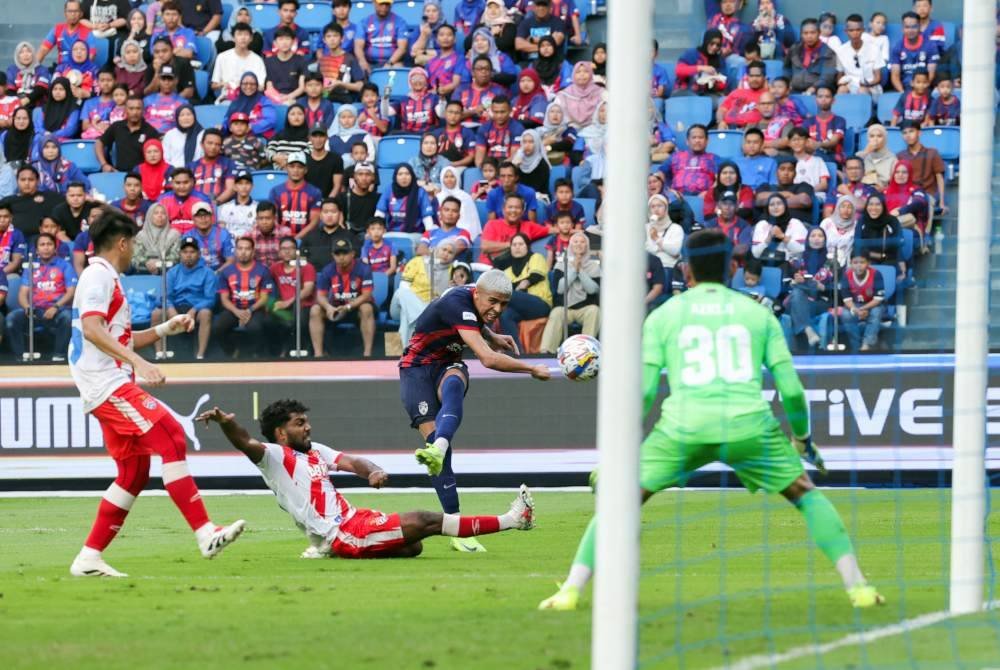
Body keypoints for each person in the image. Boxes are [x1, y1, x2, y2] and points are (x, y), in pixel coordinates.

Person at [539, 227, 885, 611]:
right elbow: (790, 390)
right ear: (732, 267)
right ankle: (859, 588)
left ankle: (570, 590)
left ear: (685, 270)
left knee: (621, 502)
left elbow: (645, 392)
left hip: (682, 427)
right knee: (805, 495)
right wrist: (802, 438)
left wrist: (617, 455)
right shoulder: (758, 315)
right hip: (749, 425)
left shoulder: (664, 316)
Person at [67, 207, 245, 577]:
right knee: (171, 435)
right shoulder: (98, 276)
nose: (135, 250)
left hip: (108, 380)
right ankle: (204, 532)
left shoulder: (103, 277)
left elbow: (119, 337)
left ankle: (89, 558)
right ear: (122, 243)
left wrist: (167, 329)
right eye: (132, 243)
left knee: (134, 470)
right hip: (107, 383)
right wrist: (141, 364)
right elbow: (92, 330)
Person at [199, 398, 535, 558]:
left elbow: (352, 462)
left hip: (355, 518)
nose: (308, 426)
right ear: (280, 433)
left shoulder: (314, 451)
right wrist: (224, 421)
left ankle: (324, 549)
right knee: (425, 519)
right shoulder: (273, 457)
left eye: (306, 421)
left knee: (414, 546)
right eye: (299, 423)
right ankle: (512, 520)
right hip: (344, 531)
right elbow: (245, 442)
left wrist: (372, 470)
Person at [400, 268, 549, 551]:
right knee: (435, 446)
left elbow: (472, 320)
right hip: (416, 370)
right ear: (477, 294)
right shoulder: (457, 301)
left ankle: (439, 447)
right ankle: (457, 527)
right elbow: (489, 360)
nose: (498, 309)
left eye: (504, 304)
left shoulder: (474, 295)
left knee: (455, 383)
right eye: (493, 302)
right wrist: (531, 367)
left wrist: (490, 334)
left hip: (447, 363)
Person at [5, 233, 76, 361]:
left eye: (49, 244)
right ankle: (20, 357)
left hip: (58, 310)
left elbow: (71, 291)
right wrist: (27, 307)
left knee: (67, 317)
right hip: (35, 311)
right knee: (12, 318)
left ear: (55, 248)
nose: (46, 247)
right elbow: (22, 293)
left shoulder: (65, 265)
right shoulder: (31, 267)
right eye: (42, 245)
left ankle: (59, 356)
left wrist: (56, 307)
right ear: (37, 249)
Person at [152, 234, 215, 358]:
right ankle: (158, 354)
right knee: (156, 314)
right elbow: (164, 296)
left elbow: (210, 298)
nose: (189, 255)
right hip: (176, 306)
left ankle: (200, 355)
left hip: (196, 308)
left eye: (192, 251)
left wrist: (194, 310)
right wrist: (171, 310)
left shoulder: (207, 273)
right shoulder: (173, 272)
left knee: (206, 313)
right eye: (185, 252)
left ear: (199, 254)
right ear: (180, 254)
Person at [310, 238, 375, 357]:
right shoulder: (328, 270)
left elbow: (366, 295)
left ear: (352, 254)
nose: (341, 257)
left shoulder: (364, 268)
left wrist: (348, 306)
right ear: (332, 255)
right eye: (337, 254)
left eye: (345, 253)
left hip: (356, 308)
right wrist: (328, 307)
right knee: (315, 310)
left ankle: (367, 354)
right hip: (336, 309)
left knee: (367, 308)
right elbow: (320, 296)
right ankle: (318, 355)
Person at [213, 235, 273, 358]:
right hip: (234, 309)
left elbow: (264, 298)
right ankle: (232, 353)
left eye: (247, 249)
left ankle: (254, 355)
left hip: (255, 309)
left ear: (252, 252)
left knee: (255, 328)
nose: (243, 252)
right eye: (240, 249)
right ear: (235, 251)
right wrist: (237, 312)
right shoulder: (227, 271)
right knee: (218, 327)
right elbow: (224, 298)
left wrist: (249, 311)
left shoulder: (263, 270)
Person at [539, 231, 600, 353]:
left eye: (582, 242)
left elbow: (593, 290)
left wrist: (580, 270)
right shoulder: (561, 264)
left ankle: (587, 351)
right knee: (556, 313)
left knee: (595, 310)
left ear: (587, 245)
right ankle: (546, 351)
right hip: (565, 308)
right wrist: (573, 270)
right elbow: (561, 288)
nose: (579, 244)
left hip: (585, 308)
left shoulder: (594, 266)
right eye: (575, 242)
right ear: (570, 245)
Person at [392, 239, 457, 343]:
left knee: (406, 314)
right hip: (402, 304)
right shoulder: (418, 261)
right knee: (400, 293)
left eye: (450, 252)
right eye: (444, 249)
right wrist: (420, 308)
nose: (446, 254)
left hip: (428, 307)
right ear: (436, 249)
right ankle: (423, 317)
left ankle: (406, 352)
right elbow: (404, 286)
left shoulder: (453, 270)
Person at [497, 232, 551, 352]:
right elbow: (510, 287)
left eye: (521, 244)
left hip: (540, 304)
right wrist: (518, 286)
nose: (517, 247)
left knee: (504, 295)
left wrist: (517, 286)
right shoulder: (507, 270)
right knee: (505, 315)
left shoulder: (536, 257)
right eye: (514, 244)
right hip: (521, 309)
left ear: (527, 246)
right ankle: (516, 352)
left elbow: (535, 277)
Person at [785, 227, 834, 349]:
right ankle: (808, 330)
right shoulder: (796, 260)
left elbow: (839, 290)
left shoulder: (833, 262)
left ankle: (805, 332)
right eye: (813, 236)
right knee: (796, 292)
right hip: (798, 299)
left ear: (825, 239)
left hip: (819, 301)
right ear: (807, 239)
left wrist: (822, 287)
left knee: (796, 296)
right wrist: (794, 281)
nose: (816, 239)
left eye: (820, 236)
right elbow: (785, 283)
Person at [268, 235, 315, 354]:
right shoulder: (275, 268)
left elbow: (308, 290)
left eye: (291, 248)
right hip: (284, 305)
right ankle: (275, 352)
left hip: (303, 305)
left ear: (296, 250)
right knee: (267, 320)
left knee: (297, 318)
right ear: (279, 252)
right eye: (284, 248)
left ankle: (301, 349)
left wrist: (287, 302)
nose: (287, 251)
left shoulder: (306, 267)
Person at [96, 94, 161, 173]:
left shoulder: (151, 131)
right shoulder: (117, 126)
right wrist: (104, 164)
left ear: (143, 110)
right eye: (131, 108)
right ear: (125, 110)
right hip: (119, 174)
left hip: (141, 176)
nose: (135, 112)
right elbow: (99, 143)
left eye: (138, 108)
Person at [0, 165, 66, 238]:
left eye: (31, 180)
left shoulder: (51, 197)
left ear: (37, 181)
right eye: (23, 180)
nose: (26, 183)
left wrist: (62, 231)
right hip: (14, 242)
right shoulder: (8, 201)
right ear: (17, 181)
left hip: (44, 242)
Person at [269, 151, 323, 238]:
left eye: (300, 167)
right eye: (292, 166)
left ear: (305, 170)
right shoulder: (275, 191)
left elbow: (314, 222)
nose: (296, 170)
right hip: (281, 239)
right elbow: (272, 218)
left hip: (306, 240)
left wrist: (295, 239)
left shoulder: (315, 192)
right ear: (286, 168)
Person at [839, 252, 886, 352]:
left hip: (872, 304)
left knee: (876, 312)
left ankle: (866, 344)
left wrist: (863, 309)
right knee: (846, 315)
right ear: (850, 264)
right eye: (855, 263)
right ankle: (856, 345)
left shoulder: (876, 274)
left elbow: (878, 299)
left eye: (862, 262)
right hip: (854, 305)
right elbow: (847, 299)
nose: (858, 265)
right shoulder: (846, 275)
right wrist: (856, 310)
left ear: (868, 263)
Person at [897, 120, 946, 214]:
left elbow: (939, 178)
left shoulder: (932, 153)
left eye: (911, 131)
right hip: (907, 196)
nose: (908, 135)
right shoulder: (900, 156)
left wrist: (942, 202)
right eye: (904, 133)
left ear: (919, 133)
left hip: (927, 195)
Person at [853, 193, 904, 282]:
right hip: (867, 261)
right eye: (871, 204)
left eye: (878, 204)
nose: (874, 208)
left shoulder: (892, 221)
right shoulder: (862, 221)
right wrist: (877, 256)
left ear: (883, 206)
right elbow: (857, 245)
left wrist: (902, 264)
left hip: (889, 260)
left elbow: (898, 244)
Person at [657, 125, 718, 197]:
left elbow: (720, 179)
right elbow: (660, 173)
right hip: (677, 198)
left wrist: (709, 193)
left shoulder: (714, 158)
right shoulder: (675, 156)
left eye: (701, 137)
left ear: (707, 141)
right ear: (687, 141)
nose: (697, 140)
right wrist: (668, 191)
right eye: (694, 137)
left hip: (704, 199)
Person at [884, 159, 930, 252]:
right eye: (897, 172)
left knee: (904, 234)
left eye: (904, 172)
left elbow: (919, 203)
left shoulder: (916, 190)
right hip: (886, 223)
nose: (900, 175)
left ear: (910, 174)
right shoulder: (885, 191)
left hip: (910, 226)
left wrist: (900, 211)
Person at [211, 22, 266, 100]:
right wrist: (223, 84)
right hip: (228, 98)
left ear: (251, 39)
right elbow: (214, 85)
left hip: (251, 99)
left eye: (246, 34)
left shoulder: (257, 60)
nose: (243, 38)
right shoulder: (222, 57)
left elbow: (262, 86)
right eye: (239, 34)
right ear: (233, 38)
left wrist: (249, 87)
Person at [375, 164, 435, 233]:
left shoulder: (420, 192)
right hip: (391, 233)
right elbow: (380, 213)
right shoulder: (389, 190)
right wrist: (377, 232)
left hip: (414, 234)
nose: (404, 177)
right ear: (395, 177)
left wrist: (429, 237)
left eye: (407, 174)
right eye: (400, 174)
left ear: (412, 176)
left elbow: (427, 217)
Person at [783, 18, 838, 94]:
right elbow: (786, 67)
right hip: (794, 90)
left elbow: (827, 77)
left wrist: (814, 88)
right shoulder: (794, 49)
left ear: (819, 33)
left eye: (812, 33)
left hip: (817, 93)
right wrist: (787, 83)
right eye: (805, 33)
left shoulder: (828, 53)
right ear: (801, 34)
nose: (809, 36)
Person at [312, 24, 363, 104]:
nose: (332, 39)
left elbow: (360, 86)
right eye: (328, 36)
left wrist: (341, 84)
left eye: (335, 36)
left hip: (345, 100)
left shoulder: (350, 59)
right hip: (325, 99)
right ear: (324, 40)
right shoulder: (322, 60)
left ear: (342, 39)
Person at [754, 157, 815, 225]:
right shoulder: (766, 187)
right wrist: (786, 194)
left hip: (796, 226)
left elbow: (803, 201)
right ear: (776, 172)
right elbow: (759, 200)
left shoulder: (803, 186)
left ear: (795, 173)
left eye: (790, 170)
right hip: (769, 226)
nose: (786, 173)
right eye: (782, 169)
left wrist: (771, 203)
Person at [835, 13, 885, 96]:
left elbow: (878, 77)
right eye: (851, 30)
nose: (855, 33)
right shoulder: (841, 50)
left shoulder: (874, 49)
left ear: (863, 30)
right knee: (841, 90)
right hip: (850, 85)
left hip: (871, 86)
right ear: (846, 31)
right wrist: (842, 83)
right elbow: (839, 77)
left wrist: (867, 84)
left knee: (862, 91)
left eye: (858, 30)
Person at [889, 11, 939, 92]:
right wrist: (903, 94)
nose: (910, 30)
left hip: (924, 88)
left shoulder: (931, 46)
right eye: (907, 27)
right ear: (902, 29)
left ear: (919, 27)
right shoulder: (897, 47)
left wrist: (921, 90)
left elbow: (931, 74)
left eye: (914, 27)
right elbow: (895, 76)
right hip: (905, 89)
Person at [752, 193, 808, 263]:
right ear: (767, 208)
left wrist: (783, 237)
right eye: (772, 204)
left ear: (785, 206)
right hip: (765, 263)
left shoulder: (795, 223)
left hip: (789, 265)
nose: (775, 207)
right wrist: (768, 239)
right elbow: (755, 254)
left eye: (779, 204)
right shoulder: (762, 224)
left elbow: (802, 250)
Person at [356, 0, 409, 73]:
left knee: (398, 67)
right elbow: (358, 46)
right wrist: (363, 62)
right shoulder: (364, 22)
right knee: (359, 69)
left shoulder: (400, 22)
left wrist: (389, 63)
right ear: (374, 3)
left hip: (392, 62)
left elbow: (402, 48)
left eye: (387, 4)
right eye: (381, 4)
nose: (384, 7)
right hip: (369, 62)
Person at [39, 0, 97, 67]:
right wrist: (33, 68)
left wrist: (80, 70)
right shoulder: (57, 29)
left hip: (80, 69)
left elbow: (91, 55)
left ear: (81, 14)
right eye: (70, 11)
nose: (73, 14)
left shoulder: (87, 32)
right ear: (65, 13)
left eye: (76, 11)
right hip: (61, 70)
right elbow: (43, 50)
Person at [301, 198, 356, 264]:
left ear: (340, 214)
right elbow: (302, 258)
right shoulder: (310, 236)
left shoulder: (349, 237)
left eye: (333, 212)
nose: (329, 215)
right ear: (320, 215)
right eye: (325, 212)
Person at [674, 29, 726, 98]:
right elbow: (679, 70)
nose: (714, 47)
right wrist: (701, 68)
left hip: (706, 94)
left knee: (722, 100)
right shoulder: (692, 53)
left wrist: (715, 80)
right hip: (684, 91)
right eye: (712, 43)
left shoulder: (719, 60)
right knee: (697, 100)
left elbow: (722, 85)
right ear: (706, 41)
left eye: (718, 45)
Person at [157, 167, 211, 234]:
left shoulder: (202, 199)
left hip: (196, 239)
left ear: (192, 182)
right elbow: (157, 226)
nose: (182, 187)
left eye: (185, 182)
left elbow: (210, 226)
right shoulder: (163, 200)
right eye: (178, 183)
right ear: (172, 183)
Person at [224, 72, 277, 140]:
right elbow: (227, 120)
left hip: (259, 137)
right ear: (240, 85)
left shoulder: (264, 101)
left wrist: (251, 127)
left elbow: (271, 120)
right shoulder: (236, 101)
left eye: (252, 84)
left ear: (257, 85)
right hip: (237, 138)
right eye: (245, 84)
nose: (248, 86)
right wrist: (223, 127)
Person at [334, 160, 380, 238]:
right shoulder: (342, 198)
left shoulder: (378, 199)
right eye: (360, 174)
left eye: (368, 174)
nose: (364, 178)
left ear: (373, 177)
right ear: (354, 176)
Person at [132, 201, 180, 274]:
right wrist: (147, 263)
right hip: (143, 274)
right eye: (156, 213)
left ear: (167, 216)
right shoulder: (141, 236)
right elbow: (136, 257)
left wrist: (159, 263)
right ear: (149, 216)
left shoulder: (174, 235)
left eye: (163, 213)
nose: (160, 215)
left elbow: (176, 258)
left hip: (168, 274)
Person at [717, 62, 768, 129]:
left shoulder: (767, 96)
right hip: (729, 128)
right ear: (747, 77)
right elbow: (722, 109)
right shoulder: (736, 92)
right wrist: (721, 122)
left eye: (758, 76)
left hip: (753, 131)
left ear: (764, 77)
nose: (754, 79)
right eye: (751, 76)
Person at [555, 62, 607, 129]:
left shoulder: (601, 93)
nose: (582, 74)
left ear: (591, 74)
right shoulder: (563, 95)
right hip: (569, 132)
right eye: (578, 72)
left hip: (596, 132)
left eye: (586, 71)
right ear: (573, 74)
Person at [264, 26, 308, 104]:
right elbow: (269, 86)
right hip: (274, 99)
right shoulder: (268, 62)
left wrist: (288, 97)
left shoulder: (301, 60)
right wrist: (278, 98)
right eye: (281, 39)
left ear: (294, 42)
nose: (284, 42)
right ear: (275, 43)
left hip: (295, 99)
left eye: (287, 39)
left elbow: (302, 87)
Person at [144, 36, 196, 100]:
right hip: (159, 103)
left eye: (164, 51)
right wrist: (157, 73)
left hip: (183, 101)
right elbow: (148, 94)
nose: (161, 55)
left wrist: (172, 103)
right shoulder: (151, 66)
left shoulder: (183, 63)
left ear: (172, 51)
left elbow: (189, 91)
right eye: (157, 52)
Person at [188, 201, 234, 272]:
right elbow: (186, 262)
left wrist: (216, 273)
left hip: (219, 273)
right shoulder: (188, 236)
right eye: (199, 215)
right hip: (196, 274)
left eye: (206, 214)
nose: (203, 218)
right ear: (193, 219)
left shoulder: (223, 234)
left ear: (212, 217)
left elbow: (231, 261)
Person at [646, 193, 685, 274]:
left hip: (668, 267)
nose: (656, 209)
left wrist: (656, 238)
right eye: (653, 207)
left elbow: (675, 251)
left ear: (666, 208)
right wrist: (661, 248)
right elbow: (643, 249)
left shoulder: (676, 228)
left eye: (659, 206)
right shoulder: (645, 228)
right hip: (649, 268)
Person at [423, 23, 465, 99]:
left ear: (454, 39)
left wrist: (440, 90)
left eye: (449, 35)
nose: (445, 38)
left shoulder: (459, 58)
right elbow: (426, 84)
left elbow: (456, 83)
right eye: (442, 35)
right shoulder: (431, 62)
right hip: (431, 98)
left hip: (450, 97)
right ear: (437, 40)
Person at [34, 77, 80, 145]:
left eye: (61, 89)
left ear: (67, 91)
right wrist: (45, 133)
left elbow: (70, 130)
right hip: (44, 137)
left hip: (64, 140)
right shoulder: (43, 109)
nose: (57, 92)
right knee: (38, 137)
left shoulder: (74, 109)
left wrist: (52, 135)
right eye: (55, 89)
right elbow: (38, 128)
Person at [7, 42, 52, 110]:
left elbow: (40, 89)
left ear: (33, 54)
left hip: (37, 106)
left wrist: (26, 100)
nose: (26, 55)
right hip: (17, 106)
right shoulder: (12, 70)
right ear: (17, 56)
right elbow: (10, 91)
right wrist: (18, 103)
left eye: (28, 51)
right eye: (21, 52)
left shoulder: (42, 69)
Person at [820, 194, 858, 268]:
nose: (846, 210)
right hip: (825, 262)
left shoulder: (856, 225)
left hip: (847, 264)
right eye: (843, 206)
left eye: (850, 207)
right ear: (838, 207)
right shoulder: (827, 223)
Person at [217, 170, 257, 239]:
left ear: (252, 186)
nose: (244, 187)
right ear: (235, 187)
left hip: (250, 245)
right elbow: (221, 232)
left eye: (247, 183)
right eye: (240, 183)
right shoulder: (224, 208)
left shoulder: (257, 207)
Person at [251, 201, 293, 266]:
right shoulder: (249, 235)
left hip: (279, 271)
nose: (264, 222)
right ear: (256, 219)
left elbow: (290, 259)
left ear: (274, 218)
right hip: (258, 273)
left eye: (268, 218)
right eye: (261, 218)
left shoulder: (285, 233)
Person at [789, 126, 829, 194]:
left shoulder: (818, 161)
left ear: (807, 141)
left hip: (815, 194)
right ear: (789, 143)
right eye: (794, 140)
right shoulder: (787, 162)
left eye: (800, 139)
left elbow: (824, 184)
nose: (797, 142)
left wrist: (808, 192)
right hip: (793, 196)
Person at [511, 129, 550, 198]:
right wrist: (514, 167)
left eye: (531, 142)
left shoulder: (542, 164)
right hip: (518, 197)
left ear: (537, 143)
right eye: (524, 142)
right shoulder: (518, 159)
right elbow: (509, 183)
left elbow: (535, 188)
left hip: (538, 196)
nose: (527, 145)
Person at [162, 104, 203, 168]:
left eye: (189, 114)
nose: (186, 118)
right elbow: (166, 159)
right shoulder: (170, 135)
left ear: (194, 116)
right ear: (177, 118)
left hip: (197, 172)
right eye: (182, 115)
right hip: (175, 173)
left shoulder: (202, 134)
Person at [859, 124, 897, 191]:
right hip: (862, 191)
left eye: (879, 136)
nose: (875, 139)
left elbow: (894, 184)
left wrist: (883, 189)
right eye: (872, 136)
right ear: (868, 138)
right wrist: (865, 152)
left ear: (885, 139)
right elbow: (853, 170)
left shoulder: (892, 159)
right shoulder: (862, 156)